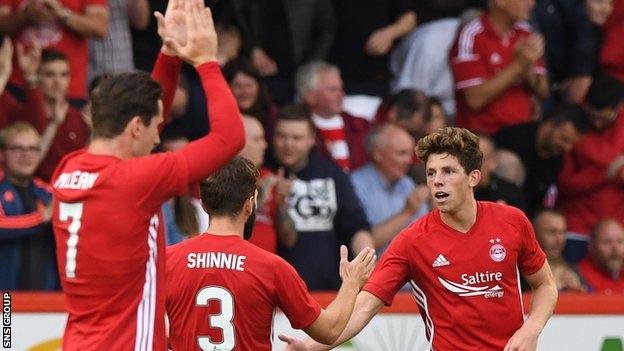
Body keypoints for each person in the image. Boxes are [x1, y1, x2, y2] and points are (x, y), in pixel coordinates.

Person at [50, 0, 245, 348]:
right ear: (136, 127)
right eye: (156, 126)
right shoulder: (134, 181)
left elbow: (148, 114)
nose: (160, 136)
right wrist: (206, 62)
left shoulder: (69, 169)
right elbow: (230, 138)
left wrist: (169, 53)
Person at [281, 127, 558, 351]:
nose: (437, 181)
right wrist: (310, 346)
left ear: (473, 177)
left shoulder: (512, 220)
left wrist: (531, 328)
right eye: (431, 173)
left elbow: (545, 284)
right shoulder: (413, 241)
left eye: (448, 171)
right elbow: (364, 308)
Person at [165, 157, 376, 350]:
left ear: (203, 204)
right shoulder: (272, 268)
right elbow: (329, 331)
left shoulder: (167, 261)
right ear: (249, 205)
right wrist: (351, 283)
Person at [270, 104, 375, 290]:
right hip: (280, 291)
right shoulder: (263, 175)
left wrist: (368, 270)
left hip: (330, 290)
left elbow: (357, 225)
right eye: (282, 136)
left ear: (312, 139)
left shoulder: (332, 174)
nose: (288, 144)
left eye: (297, 138)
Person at [450, 0, 549, 135]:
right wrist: (518, 65)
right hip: (485, 137)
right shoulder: (472, 35)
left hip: (525, 129)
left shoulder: (525, 31)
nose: (532, 4)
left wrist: (528, 70)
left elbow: (543, 92)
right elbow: (474, 100)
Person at [557, 75, 624, 263]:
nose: (597, 124)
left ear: (618, 107)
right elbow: (565, 184)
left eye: (604, 118)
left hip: (618, 231)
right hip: (578, 227)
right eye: (593, 116)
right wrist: (606, 174)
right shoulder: (572, 125)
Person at [0, 0, 109, 102]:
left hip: (69, 88)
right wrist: (25, 15)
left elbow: (100, 28)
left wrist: (62, 14)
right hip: (18, 84)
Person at [493, 102, 588, 217]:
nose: (567, 148)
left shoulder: (557, 160)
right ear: (548, 125)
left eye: (572, 144)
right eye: (564, 139)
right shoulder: (514, 139)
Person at [350, 124, 430, 252]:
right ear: (378, 154)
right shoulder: (355, 185)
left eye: (410, 153)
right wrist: (407, 212)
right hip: (376, 270)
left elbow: (425, 238)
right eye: (401, 153)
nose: (408, 160)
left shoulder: (407, 183)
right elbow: (362, 242)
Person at [0, 121, 56, 291]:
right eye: (18, 149)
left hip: (44, 299)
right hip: (5, 298)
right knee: (6, 319)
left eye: (32, 149)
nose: (26, 155)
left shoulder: (47, 192)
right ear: (2, 154)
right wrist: (42, 218)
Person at [296, 61, 371, 171]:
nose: (341, 95)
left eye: (341, 89)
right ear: (309, 95)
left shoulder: (361, 126)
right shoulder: (294, 127)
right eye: (333, 89)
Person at [238, 114, 296, 253]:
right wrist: (260, 198)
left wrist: (281, 205)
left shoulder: (269, 177)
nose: (264, 145)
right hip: (234, 264)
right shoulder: (219, 178)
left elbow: (289, 239)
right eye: (257, 139)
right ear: (238, 142)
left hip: (266, 268)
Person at [533, 209, 586, 292]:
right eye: (552, 232)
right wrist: (546, 290)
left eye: (563, 232)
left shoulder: (572, 268)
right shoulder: (521, 271)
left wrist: (579, 290)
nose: (560, 239)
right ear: (534, 234)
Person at [474, 134, 526, 211]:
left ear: (492, 163)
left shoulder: (509, 194)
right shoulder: (454, 190)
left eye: (476, 159)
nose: (469, 164)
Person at [577, 219, 624, 294]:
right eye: (607, 242)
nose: (615, 248)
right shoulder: (578, 276)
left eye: (620, 241)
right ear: (592, 246)